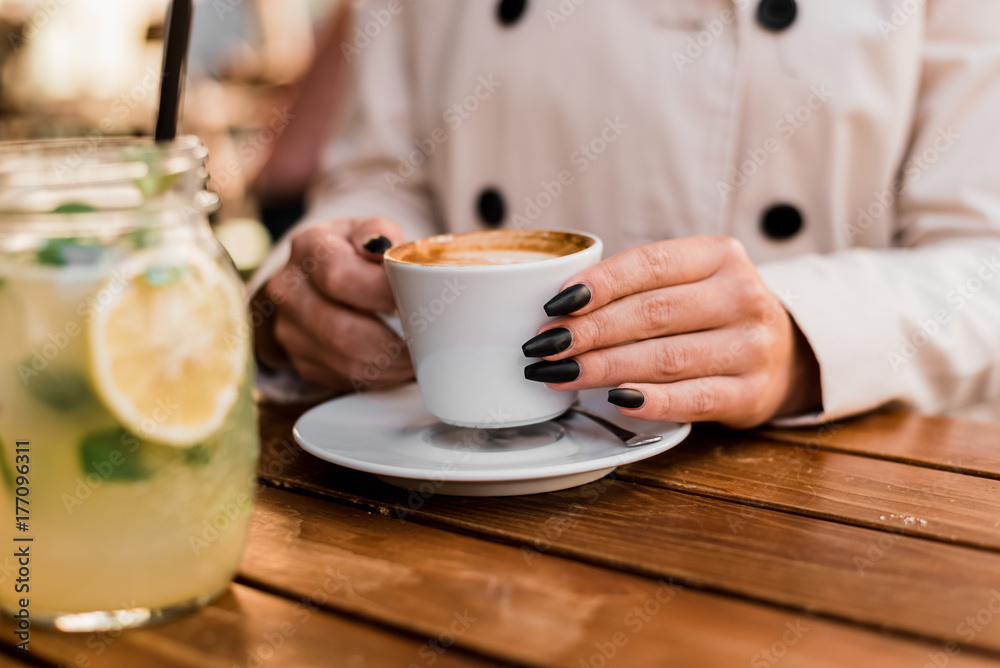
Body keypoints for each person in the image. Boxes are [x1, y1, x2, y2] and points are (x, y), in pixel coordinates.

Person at [250, 0, 1000, 428]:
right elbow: (381, 181)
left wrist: (803, 338)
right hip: (461, 486)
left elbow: (983, 262)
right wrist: (323, 289)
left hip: (822, 496)